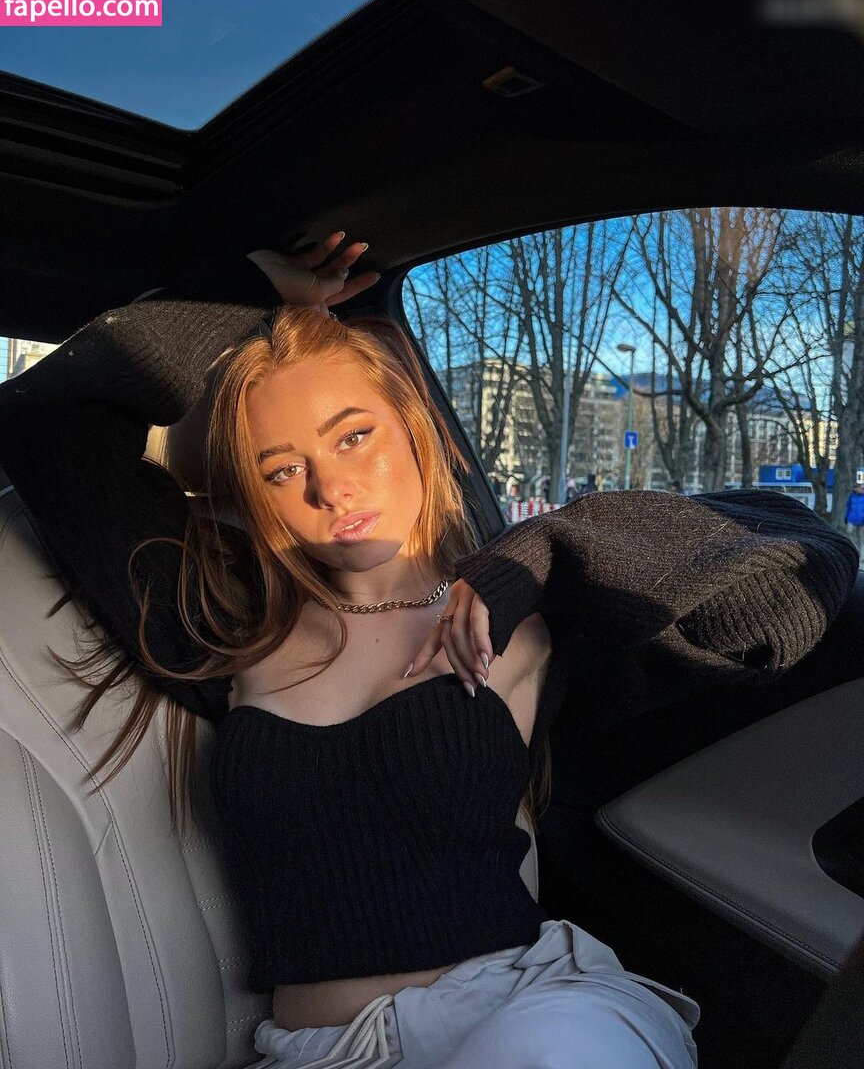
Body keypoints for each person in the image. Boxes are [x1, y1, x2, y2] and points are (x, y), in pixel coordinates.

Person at [0, 233, 857, 1069]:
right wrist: (248, 289)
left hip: (524, 1009)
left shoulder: (529, 620)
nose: (331, 487)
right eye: (281, 469)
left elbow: (797, 569)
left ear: (416, 429)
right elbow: (41, 421)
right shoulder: (229, 618)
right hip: (323, 1051)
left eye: (353, 436)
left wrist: (536, 555)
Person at [845, 481, 864, 554]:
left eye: (858, 487)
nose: (857, 489)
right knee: (849, 533)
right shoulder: (852, 496)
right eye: (855, 487)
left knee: (860, 536)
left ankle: (860, 552)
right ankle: (853, 548)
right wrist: (846, 517)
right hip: (851, 519)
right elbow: (848, 507)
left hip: (862, 520)